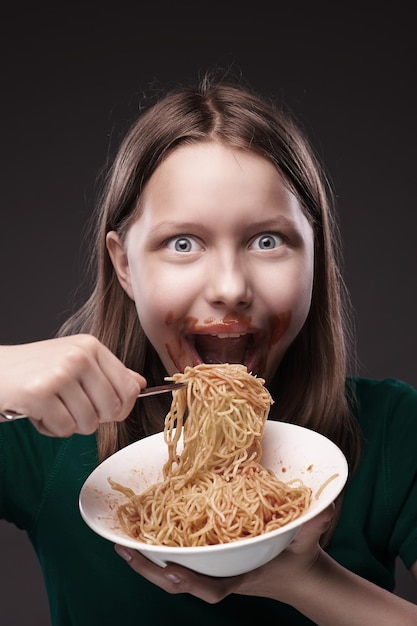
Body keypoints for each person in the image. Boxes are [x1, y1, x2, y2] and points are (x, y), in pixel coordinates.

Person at [1, 71, 417, 626]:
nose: (229, 287)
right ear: (125, 265)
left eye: (267, 240)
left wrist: (310, 583)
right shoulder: (42, 433)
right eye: (183, 243)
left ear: (315, 255)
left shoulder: (395, 429)